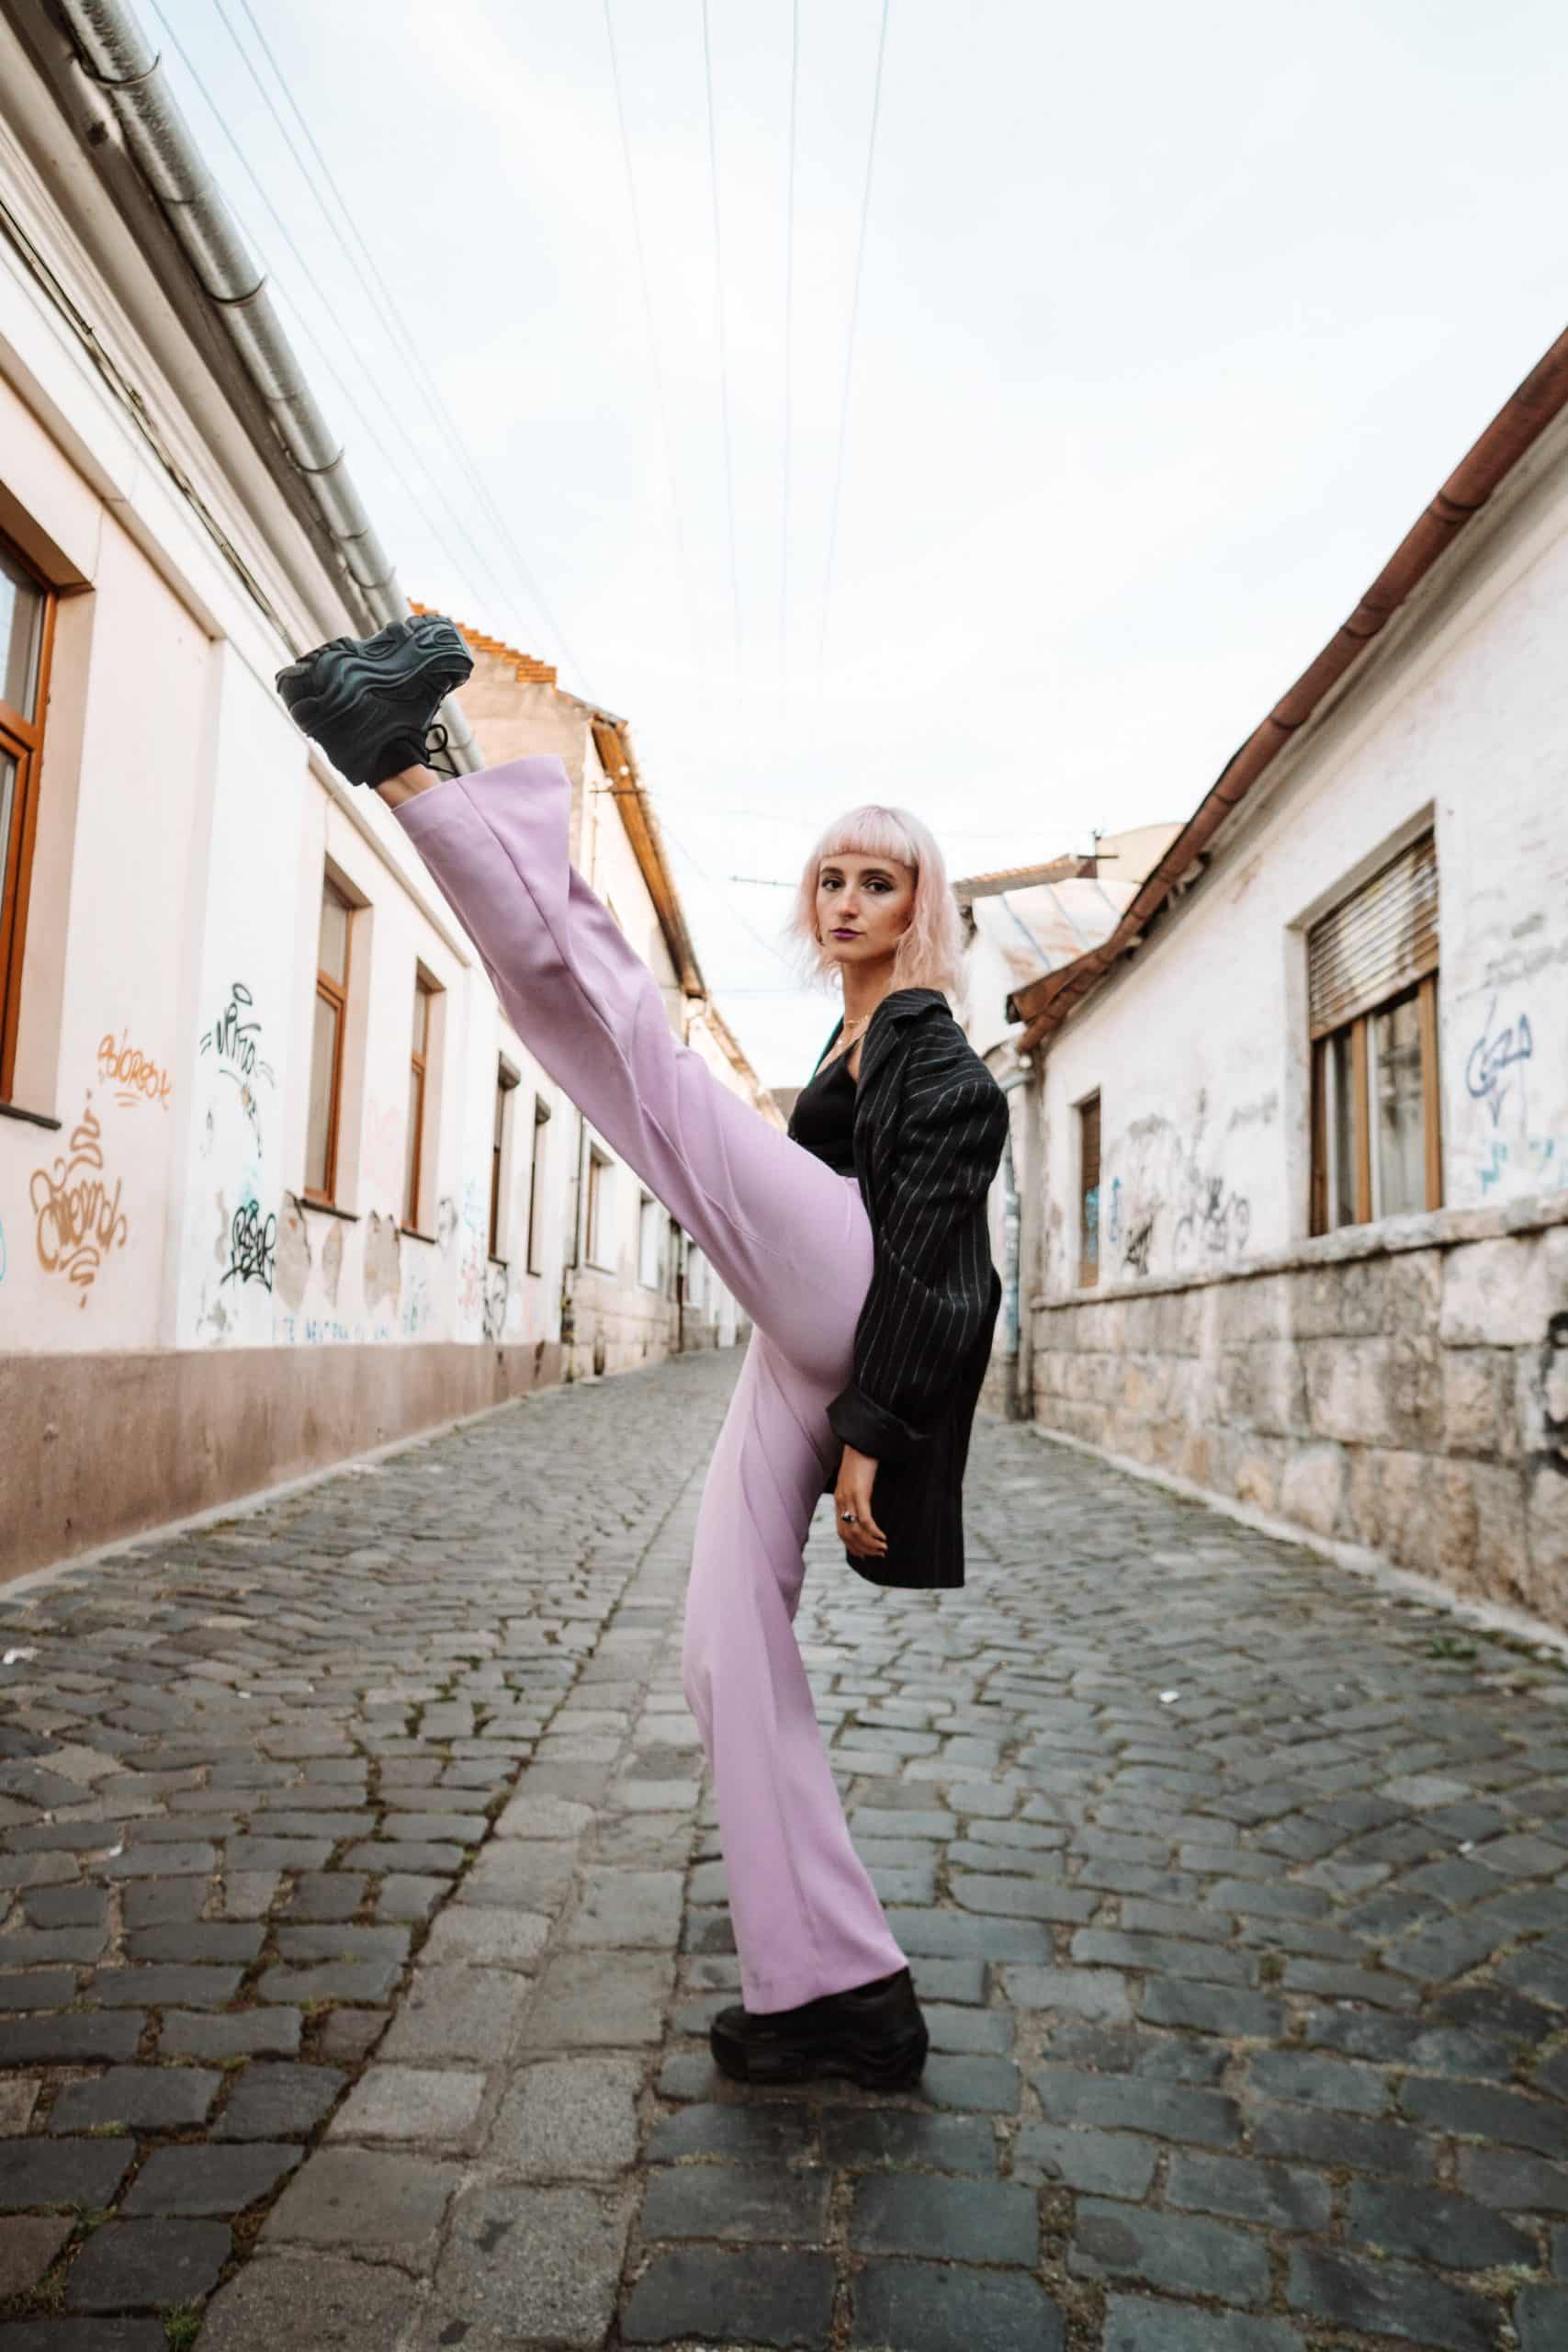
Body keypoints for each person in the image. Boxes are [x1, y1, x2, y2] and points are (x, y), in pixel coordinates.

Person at [276, 613, 1009, 2089]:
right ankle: (837, 1990)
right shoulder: (842, 1046)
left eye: (880, 882)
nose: (849, 900)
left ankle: (404, 758)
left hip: (862, 1308)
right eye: (832, 879)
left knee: (641, 1056)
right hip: (802, 1337)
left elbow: (945, 1267)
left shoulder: (930, 1044)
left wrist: (874, 1433)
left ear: (921, 907)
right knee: (720, 1644)